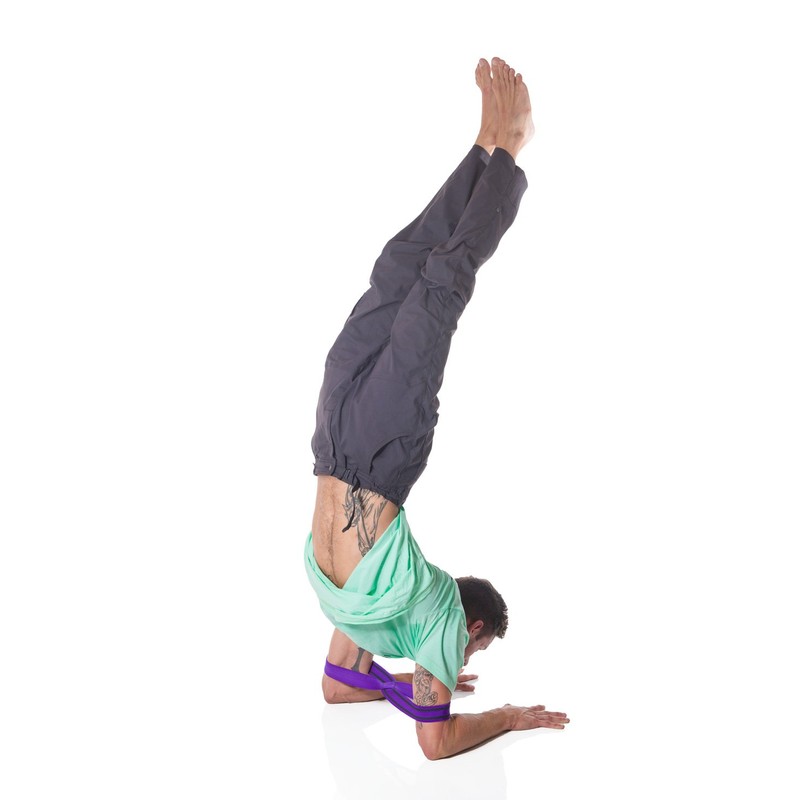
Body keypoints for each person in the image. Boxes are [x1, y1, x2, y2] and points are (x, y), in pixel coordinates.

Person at [304, 57, 569, 760]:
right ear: (472, 626)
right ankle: (508, 147)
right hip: (380, 451)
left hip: (333, 443)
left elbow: (336, 689)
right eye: (471, 648)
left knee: (398, 267)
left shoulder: (376, 625)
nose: (458, 660)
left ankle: (486, 147)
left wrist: (398, 684)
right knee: (439, 286)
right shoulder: (441, 623)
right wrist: (504, 715)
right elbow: (438, 742)